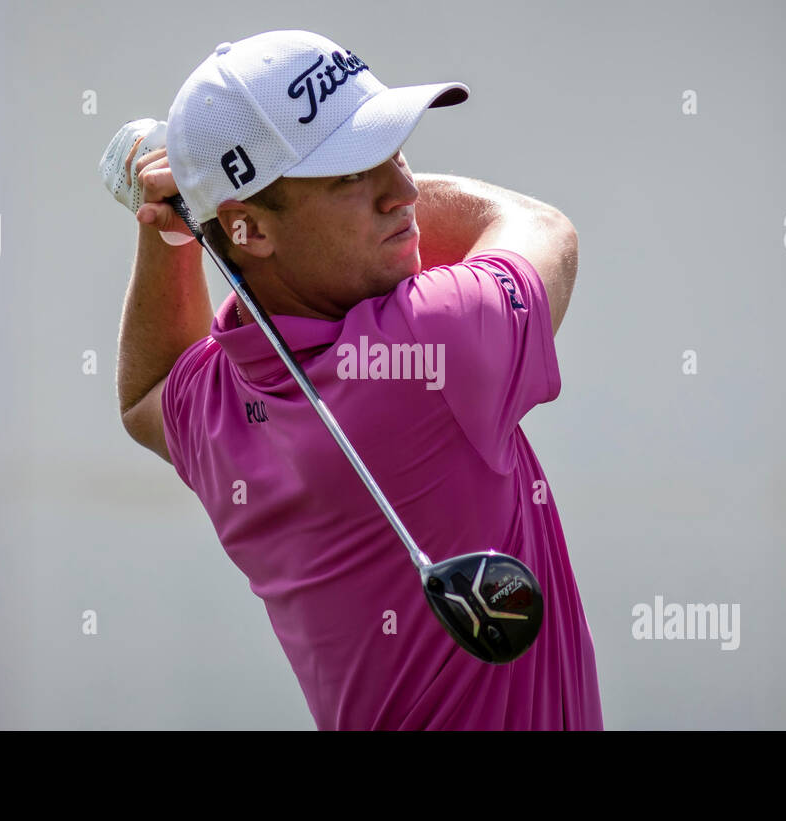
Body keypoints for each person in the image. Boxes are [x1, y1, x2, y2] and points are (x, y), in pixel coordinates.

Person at [109, 29, 601, 730]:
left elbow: (144, 392)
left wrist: (176, 226)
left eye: (393, 150)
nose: (402, 189)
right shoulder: (437, 342)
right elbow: (537, 226)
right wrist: (198, 212)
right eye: (352, 173)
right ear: (250, 229)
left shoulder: (217, 405)